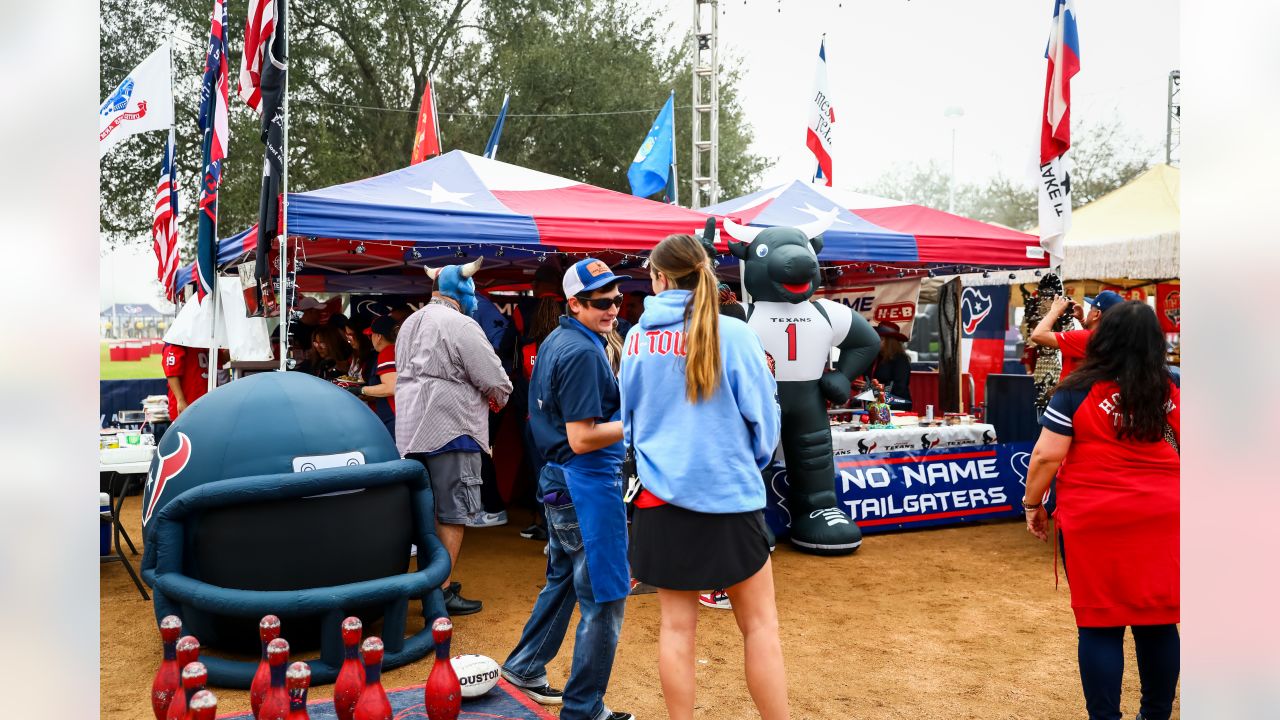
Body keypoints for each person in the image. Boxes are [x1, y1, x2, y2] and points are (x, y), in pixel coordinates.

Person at [619, 233, 787, 720]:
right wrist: (742, 465)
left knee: (676, 628)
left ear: (660, 276)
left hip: (660, 498)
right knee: (760, 627)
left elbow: (629, 421)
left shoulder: (637, 337)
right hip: (730, 495)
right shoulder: (735, 334)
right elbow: (764, 420)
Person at [1023, 301, 1180, 720]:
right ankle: (1156, 714)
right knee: (1159, 621)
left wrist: (1032, 504)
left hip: (1096, 517)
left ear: (1103, 337)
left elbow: (1044, 457)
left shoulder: (1076, 387)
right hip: (1164, 514)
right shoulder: (1170, 386)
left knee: (1099, 623)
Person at [502, 258, 634, 720]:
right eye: (601, 302)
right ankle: (583, 709)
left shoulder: (561, 338)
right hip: (584, 481)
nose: (613, 308)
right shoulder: (580, 350)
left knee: (563, 580)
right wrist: (639, 421)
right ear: (574, 303)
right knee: (604, 597)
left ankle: (524, 665)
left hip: (561, 480)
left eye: (617, 299)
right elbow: (582, 437)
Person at [396, 258, 512, 616]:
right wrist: (500, 396)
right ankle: (440, 593)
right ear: (461, 290)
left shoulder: (409, 323)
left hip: (409, 432)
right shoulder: (462, 324)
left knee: (423, 513)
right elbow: (494, 378)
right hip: (452, 430)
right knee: (452, 513)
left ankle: (427, 582)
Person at [1030, 289, 1124, 380]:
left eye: (1091, 309)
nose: (1088, 312)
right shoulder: (1113, 340)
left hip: (1072, 392)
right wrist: (1083, 320)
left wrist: (1054, 311)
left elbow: (1038, 335)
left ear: (1096, 314)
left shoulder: (1085, 338)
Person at [348, 315, 397, 440]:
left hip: (394, 418)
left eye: (371, 335)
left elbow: (391, 387)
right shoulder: (400, 350)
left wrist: (361, 390)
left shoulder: (387, 352)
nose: (370, 340)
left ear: (378, 336)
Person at [854, 321, 912, 408]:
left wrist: (872, 387)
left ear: (890, 342)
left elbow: (899, 387)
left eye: (881, 339)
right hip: (875, 405)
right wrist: (859, 385)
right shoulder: (874, 357)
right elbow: (866, 379)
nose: (876, 342)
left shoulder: (900, 359)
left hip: (896, 406)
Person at [162, 342, 211, 420]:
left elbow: (222, 358)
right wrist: (180, 400)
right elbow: (172, 374)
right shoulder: (176, 341)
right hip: (187, 404)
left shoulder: (203, 339)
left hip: (203, 403)